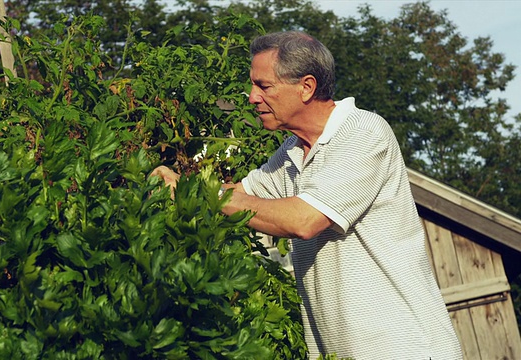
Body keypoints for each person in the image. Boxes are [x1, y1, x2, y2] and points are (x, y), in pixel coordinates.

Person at [152, 31, 462, 359]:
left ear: (306, 87)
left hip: (403, 346)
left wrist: (207, 195)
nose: (252, 97)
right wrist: (179, 188)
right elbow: (240, 195)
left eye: (264, 86)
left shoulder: (363, 134)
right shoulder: (292, 151)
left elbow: (304, 219)